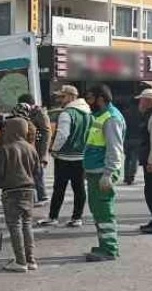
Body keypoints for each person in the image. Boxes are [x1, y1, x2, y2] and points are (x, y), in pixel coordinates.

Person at [0, 118, 40, 272]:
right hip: (29, 190)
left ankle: (20, 261)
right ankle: (31, 259)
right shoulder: (30, 148)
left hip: (11, 190)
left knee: (15, 225)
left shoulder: (5, 148)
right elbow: (37, 170)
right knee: (27, 224)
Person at [83, 84, 125, 262]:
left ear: (100, 99)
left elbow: (114, 149)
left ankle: (109, 249)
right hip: (96, 171)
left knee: (104, 211)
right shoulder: (100, 116)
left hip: (103, 171)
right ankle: (104, 244)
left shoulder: (111, 118)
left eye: (90, 98)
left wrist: (108, 174)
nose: (88, 102)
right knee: (98, 210)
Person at [39, 85, 91, 228]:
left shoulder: (67, 113)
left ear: (71, 97)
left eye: (62, 97)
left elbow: (63, 134)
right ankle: (77, 217)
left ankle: (53, 217)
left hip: (65, 157)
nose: (59, 99)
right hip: (81, 156)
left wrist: (54, 149)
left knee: (59, 188)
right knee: (79, 188)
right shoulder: (87, 112)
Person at [18, 93, 51, 205]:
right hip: (28, 147)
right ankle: (33, 197)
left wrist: (44, 155)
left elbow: (46, 134)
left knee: (38, 173)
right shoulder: (24, 113)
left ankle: (42, 197)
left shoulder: (39, 113)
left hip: (37, 147)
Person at [135, 88, 152, 234]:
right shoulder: (149, 115)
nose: (140, 103)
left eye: (142, 100)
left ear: (150, 101)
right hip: (150, 159)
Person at [123, 96, 144, 185]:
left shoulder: (125, 113)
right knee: (135, 158)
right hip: (138, 138)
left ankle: (126, 175)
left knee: (127, 158)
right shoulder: (141, 113)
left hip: (127, 138)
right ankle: (131, 175)